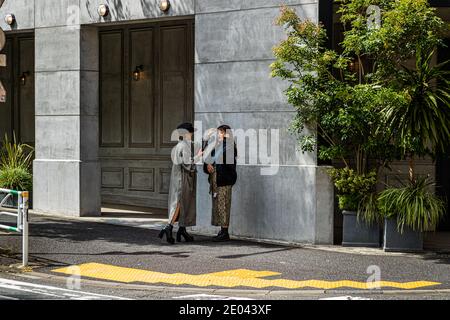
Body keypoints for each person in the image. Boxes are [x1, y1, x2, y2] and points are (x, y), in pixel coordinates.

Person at [159, 122, 201, 244]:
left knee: (184, 204)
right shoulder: (184, 146)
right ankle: (169, 227)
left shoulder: (181, 145)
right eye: (191, 132)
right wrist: (198, 156)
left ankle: (182, 230)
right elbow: (188, 164)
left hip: (181, 179)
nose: (192, 134)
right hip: (183, 180)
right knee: (179, 203)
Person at [203, 125, 238, 242]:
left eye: (221, 132)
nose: (219, 135)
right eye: (219, 133)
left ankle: (225, 232)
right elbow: (207, 158)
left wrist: (216, 166)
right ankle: (222, 231)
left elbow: (229, 166)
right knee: (218, 205)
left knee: (224, 205)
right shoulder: (217, 146)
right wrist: (208, 166)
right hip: (216, 180)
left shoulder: (229, 147)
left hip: (224, 180)